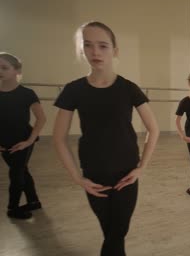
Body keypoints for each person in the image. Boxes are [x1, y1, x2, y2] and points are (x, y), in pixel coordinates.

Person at [53, 21, 159, 255]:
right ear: (82, 50)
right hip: (94, 175)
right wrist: (78, 178)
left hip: (126, 175)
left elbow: (154, 129)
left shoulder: (129, 88)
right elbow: (58, 138)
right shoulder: (73, 90)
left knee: (116, 232)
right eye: (88, 45)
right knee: (111, 232)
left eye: (103, 45)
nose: (95, 52)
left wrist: (141, 168)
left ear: (115, 50)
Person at [0, 52, 46, 220]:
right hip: (4, 142)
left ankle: (12, 208)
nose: (0, 71)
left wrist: (29, 141)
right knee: (21, 171)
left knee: (16, 173)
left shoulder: (27, 93)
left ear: (16, 71)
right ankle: (33, 201)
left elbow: (41, 118)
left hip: (24, 140)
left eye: (4, 67)